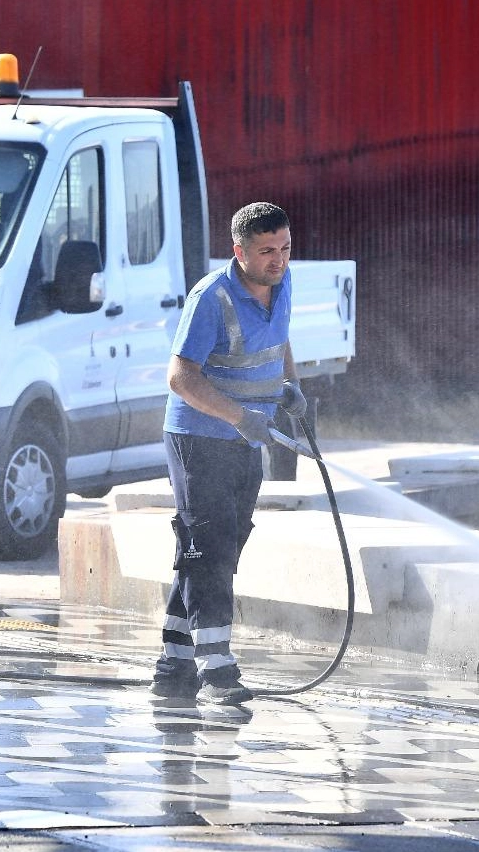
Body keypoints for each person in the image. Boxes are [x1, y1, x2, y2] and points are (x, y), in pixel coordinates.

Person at [150, 201, 308, 705]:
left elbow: (277, 340)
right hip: (200, 438)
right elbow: (180, 378)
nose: (278, 260)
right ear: (239, 251)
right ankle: (218, 671)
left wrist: (289, 387)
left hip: (246, 440)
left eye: (284, 247)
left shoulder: (282, 284)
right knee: (208, 547)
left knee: (223, 543)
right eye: (266, 251)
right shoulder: (211, 298)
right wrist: (241, 416)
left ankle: (173, 663)